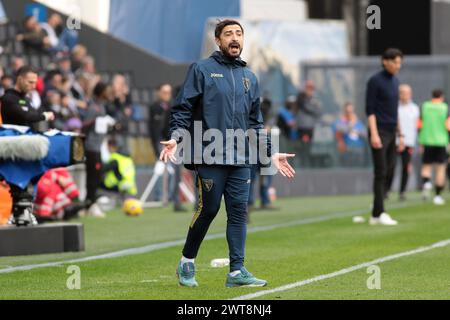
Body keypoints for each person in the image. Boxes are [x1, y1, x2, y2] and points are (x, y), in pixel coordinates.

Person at [159, 19, 296, 288]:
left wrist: (270, 153)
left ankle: (236, 272)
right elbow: (183, 109)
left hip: (242, 157)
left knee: (238, 212)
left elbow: (255, 123)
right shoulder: (201, 69)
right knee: (209, 209)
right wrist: (176, 137)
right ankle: (187, 261)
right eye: (229, 34)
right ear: (218, 41)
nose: (235, 38)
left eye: (239, 34)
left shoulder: (250, 77)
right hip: (209, 154)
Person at [0, 66, 55, 225]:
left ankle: (25, 212)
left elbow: (31, 120)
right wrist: (43, 116)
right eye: (30, 82)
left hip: (27, 149)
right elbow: (26, 116)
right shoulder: (8, 98)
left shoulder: (27, 100)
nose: (33, 86)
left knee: (31, 184)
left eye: (35, 82)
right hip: (12, 149)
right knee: (16, 184)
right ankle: (15, 214)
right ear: (20, 79)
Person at [366, 48, 405, 226]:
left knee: (390, 169)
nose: (399, 66)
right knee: (380, 172)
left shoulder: (395, 81)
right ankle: (380, 212)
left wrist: (401, 134)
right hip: (379, 131)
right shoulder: (375, 81)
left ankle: (375, 213)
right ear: (385, 61)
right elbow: (370, 110)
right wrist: (374, 134)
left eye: (399, 62)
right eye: (396, 62)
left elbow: (395, 110)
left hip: (392, 131)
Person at [81, 81, 114, 218]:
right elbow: (85, 125)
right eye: (107, 90)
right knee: (93, 176)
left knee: (96, 175)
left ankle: (90, 203)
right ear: (101, 92)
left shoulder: (101, 107)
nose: (109, 93)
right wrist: (98, 121)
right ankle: (90, 204)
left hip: (98, 146)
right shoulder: (94, 107)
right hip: (91, 147)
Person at [385, 84, 420, 201]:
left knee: (406, 167)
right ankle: (386, 190)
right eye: (401, 93)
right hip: (394, 141)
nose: (404, 95)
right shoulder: (393, 107)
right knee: (391, 166)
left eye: (406, 93)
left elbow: (416, 126)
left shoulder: (414, 108)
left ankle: (402, 191)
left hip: (409, 142)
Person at [418, 89, 450, 205]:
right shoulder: (445, 108)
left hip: (427, 141)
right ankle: (437, 196)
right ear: (441, 97)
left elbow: (419, 124)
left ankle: (426, 183)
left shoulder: (425, 106)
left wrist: (420, 140)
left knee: (426, 166)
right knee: (440, 169)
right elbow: (448, 126)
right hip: (441, 141)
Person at [296, 80, 322, 167]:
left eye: (311, 88)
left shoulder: (315, 99)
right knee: (301, 146)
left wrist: (310, 108)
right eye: (307, 88)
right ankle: (302, 162)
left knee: (309, 146)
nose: (309, 90)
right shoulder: (301, 98)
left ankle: (308, 163)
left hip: (311, 127)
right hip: (302, 126)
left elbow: (317, 111)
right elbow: (301, 106)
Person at [333, 102, 366, 167]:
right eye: (348, 111)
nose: (350, 113)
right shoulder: (339, 122)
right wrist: (351, 124)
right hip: (345, 150)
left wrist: (356, 130)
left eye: (351, 111)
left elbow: (365, 133)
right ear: (344, 111)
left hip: (358, 149)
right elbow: (338, 129)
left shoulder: (358, 122)